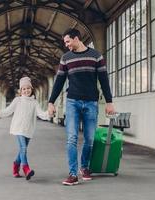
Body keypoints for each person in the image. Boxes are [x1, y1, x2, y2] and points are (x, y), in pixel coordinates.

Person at [48, 29, 115, 186]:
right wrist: (51, 101)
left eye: (68, 41)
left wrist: (109, 101)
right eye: (65, 43)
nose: (66, 45)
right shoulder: (66, 58)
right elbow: (59, 81)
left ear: (76, 39)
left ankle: (84, 167)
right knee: (71, 138)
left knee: (89, 139)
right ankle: (72, 173)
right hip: (72, 102)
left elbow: (104, 80)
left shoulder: (96, 56)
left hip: (91, 102)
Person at [0, 77, 50, 180]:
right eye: (23, 89)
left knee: (22, 150)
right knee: (23, 148)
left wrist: (49, 113)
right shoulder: (17, 100)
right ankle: (26, 168)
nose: (26, 91)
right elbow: (7, 111)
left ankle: (15, 166)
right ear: (20, 91)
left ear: (31, 89)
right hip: (18, 128)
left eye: (28, 88)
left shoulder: (34, 102)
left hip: (28, 129)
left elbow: (42, 114)